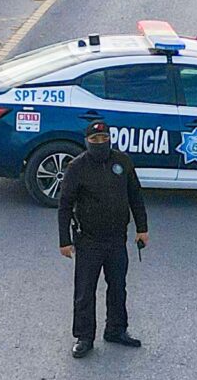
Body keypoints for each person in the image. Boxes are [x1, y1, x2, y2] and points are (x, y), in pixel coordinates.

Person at [58, 120, 148, 357]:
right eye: (94, 140)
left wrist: (142, 228)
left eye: (104, 138)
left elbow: (135, 196)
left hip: (117, 239)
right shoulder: (77, 167)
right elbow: (65, 206)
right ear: (87, 141)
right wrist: (64, 241)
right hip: (89, 240)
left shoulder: (122, 162)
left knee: (118, 286)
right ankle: (84, 337)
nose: (100, 143)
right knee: (85, 290)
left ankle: (116, 329)